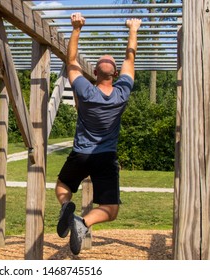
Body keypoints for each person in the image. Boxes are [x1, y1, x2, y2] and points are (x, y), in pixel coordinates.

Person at [55, 13, 142, 255]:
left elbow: (70, 60)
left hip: (81, 154)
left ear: (94, 73)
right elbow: (130, 58)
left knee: (63, 186)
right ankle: (83, 222)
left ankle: (66, 208)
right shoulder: (122, 93)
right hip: (106, 156)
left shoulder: (84, 90)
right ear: (115, 74)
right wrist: (133, 28)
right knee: (110, 209)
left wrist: (76, 28)